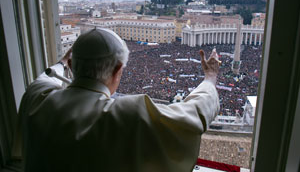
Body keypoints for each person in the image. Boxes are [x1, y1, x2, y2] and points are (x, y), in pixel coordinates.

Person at [18, 28, 220, 172]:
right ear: (117, 71)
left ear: (72, 64)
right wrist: (210, 78)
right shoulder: (129, 114)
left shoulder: (36, 98)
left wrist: (61, 64)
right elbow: (195, 114)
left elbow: (44, 78)